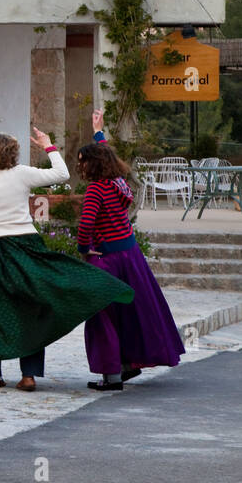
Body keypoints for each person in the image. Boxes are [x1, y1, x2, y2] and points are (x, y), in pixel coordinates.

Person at [0, 127, 133, 391]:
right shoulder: (22, 174)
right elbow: (61, 174)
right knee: (33, 308)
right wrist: (48, 145)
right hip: (26, 245)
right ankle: (28, 376)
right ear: (13, 154)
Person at [80, 110, 184, 391]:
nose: (82, 167)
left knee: (102, 315)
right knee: (133, 311)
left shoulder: (95, 190)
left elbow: (85, 225)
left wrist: (84, 250)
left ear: (92, 166)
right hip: (131, 256)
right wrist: (99, 132)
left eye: (83, 162)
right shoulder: (119, 183)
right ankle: (128, 365)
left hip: (108, 260)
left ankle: (112, 375)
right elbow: (106, 155)